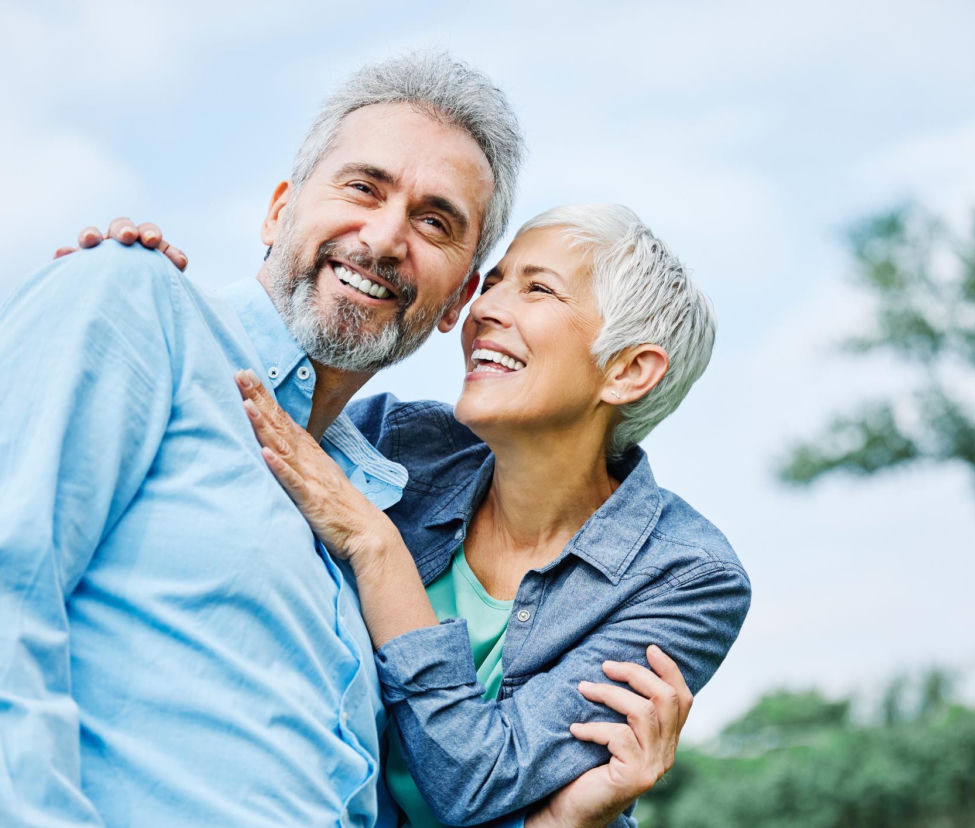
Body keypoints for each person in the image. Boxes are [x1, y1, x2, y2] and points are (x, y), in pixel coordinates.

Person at [3, 52, 681, 827]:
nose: (386, 238)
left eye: (435, 222)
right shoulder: (135, 301)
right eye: (363, 187)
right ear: (277, 213)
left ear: (458, 300)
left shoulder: (383, 521)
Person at [228, 203, 751, 826]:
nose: (484, 309)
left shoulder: (686, 577)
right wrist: (144, 290)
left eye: (538, 289)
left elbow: (475, 782)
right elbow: (224, 413)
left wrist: (377, 546)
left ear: (628, 371)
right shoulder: (395, 441)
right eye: (494, 281)